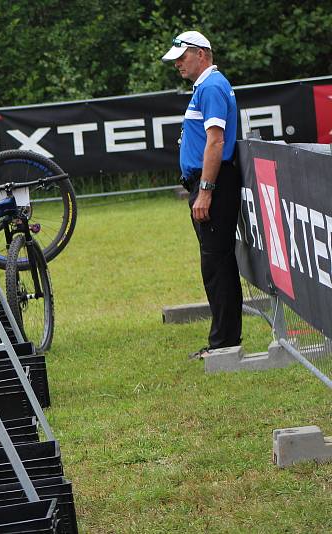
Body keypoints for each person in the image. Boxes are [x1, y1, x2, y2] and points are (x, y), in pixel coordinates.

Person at [162, 31, 243, 359]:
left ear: (202, 54)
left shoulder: (210, 86)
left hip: (214, 183)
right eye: (176, 60)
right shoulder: (208, 86)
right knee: (216, 263)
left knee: (216, 264)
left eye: (182, 57)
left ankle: (224, 344)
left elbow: (216, 141)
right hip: (210, 181)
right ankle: (224, 340)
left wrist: (206, 191)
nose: (178, 64)